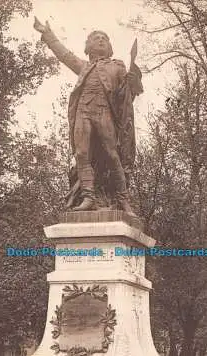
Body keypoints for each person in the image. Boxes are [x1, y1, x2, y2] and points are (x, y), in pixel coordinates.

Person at [34, 18, 143, 214]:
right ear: (88, 47)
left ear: (109, 47)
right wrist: (48, 35)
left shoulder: (117, 66)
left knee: (112, 154)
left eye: (104, 39)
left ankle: (123, 200)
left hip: (104, 112)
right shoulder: (84, 66)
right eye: (96, 38)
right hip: (82, 112)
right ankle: (88, 197)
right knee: (82, 154)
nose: (100, 40)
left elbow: (125, 96)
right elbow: (65, 55)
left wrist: (133, 82)